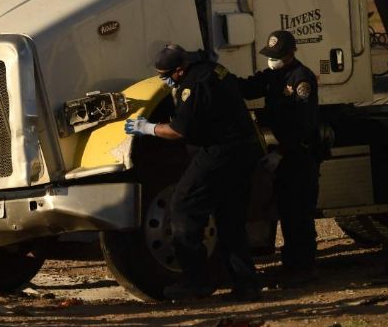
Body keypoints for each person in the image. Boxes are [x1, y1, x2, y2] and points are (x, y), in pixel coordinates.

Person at [125, 44, 262, 300]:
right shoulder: (213, 70)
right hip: (242, 151)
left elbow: (179, 130)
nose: (164, 80)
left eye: (166, 75)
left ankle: (195, 281)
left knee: (183, 206)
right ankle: (247, 285)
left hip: (219, 152)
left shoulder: (193, 85)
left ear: (180, 70)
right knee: (230, 219)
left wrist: (147, 128)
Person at [237, 30, 321, 285]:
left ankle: (304, 267)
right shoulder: (274, 75)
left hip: (300, 153)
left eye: (278, 56)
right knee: (286, 207)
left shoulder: (301, 79)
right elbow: (248, 88)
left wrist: (281, 153)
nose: (272, 60)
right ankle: (291, 263)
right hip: (283, 153)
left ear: (291, 53)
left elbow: (304, 125)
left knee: (300, 211)